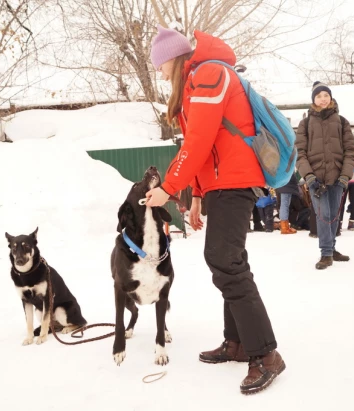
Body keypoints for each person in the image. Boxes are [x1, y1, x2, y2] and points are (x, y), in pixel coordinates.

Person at [144, 26, 284, 395]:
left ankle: (266, 355)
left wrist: (169, 187)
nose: (159, 73)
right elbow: (209, 148)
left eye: (160, 65)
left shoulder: (208, 74)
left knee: (225, 260)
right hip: (222, 183)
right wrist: (198, 196)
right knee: (228, 259)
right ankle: (236, 343)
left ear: (173, 58)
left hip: (237, 181)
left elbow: (200, 140)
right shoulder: (194, 80)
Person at [295, 82, 354, 270]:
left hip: (338, 178)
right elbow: (300, 152)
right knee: (324, 215)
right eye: (319, 95)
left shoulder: (342, 121)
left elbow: (349, 151)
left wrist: (345, 175)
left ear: (330, 98)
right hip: (316, 179)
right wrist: (308, 175)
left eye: (326, 95)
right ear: (313, 99)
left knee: (334, 215)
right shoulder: (305, 123)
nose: (323, 98)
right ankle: (326, 253)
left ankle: (332, 248)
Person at [337, 146, 354, 234]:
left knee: (341, 202)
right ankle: (352, 223)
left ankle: (339, 224)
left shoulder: (345, 157)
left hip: (346, 180)